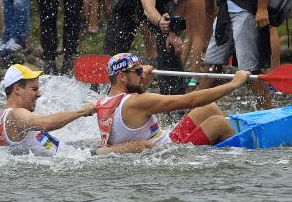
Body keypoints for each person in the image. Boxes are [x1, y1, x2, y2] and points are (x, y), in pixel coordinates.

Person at [95, 53, 249, 147]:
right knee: (217, 123)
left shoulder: (103, 103)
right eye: (138, 71)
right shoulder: (136, 102)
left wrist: (143, 81)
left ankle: (224, 139)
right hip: (170, 151)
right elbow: (190, 100)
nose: (143, 75)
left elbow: (135, 109)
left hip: (165, 142)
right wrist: (234, 84)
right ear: (122, 76)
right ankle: (241, 155)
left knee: (208, 107)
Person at [0, 63, 152, 155]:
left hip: (76, 157)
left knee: (112, 142)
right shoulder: (16, 114)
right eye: (34, 89)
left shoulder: (2, 117)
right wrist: (82, 112)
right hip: (81, 160)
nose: (39, 94)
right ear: (16, 89)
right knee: (142, 145)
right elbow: (45, 124)